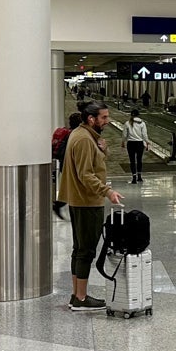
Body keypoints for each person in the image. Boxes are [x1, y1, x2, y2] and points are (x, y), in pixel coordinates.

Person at [57, 100, 122, 312]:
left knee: (79, 249)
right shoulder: (85, 139)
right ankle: (81, 298)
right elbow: (86, 174)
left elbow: (91, 164)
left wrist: (103, 149)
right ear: (91, 119)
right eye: (104, 117)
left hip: (79, 200)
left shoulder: (80, 134)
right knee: (86, 251)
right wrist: (107, 191)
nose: (107, 121)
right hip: (87, 201)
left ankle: (77, 295)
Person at [51, 111, 81, 218]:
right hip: (70, 164)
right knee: (74, 186)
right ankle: (60, 205)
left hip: (63, 162)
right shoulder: (75, 135)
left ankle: (60, 204)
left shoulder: (68, 133)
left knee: (71, 186)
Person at [123, 109, 150, 184]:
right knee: (139, 160)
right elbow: (144, 134)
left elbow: (124, 134)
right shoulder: (142, 123)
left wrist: (123, 142)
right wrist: (147, 142)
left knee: (132, 161)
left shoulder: (127, 123)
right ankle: (139, 177)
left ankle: (134, 178)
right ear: (138, 115)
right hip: (139, 143)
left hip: (130, 143)